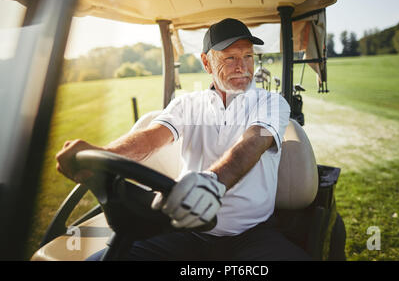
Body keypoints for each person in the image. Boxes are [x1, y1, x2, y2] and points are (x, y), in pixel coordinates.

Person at [56, 18, 311, 261]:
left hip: (252, 234)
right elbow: (150, 139)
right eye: (230, 58)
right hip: (185, 230)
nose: (242, 67)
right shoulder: (188, 104)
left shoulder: (271, 103)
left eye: (248, 56)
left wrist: (211, 182)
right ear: (206, 63)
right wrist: (104, 154)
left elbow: (254, 141)